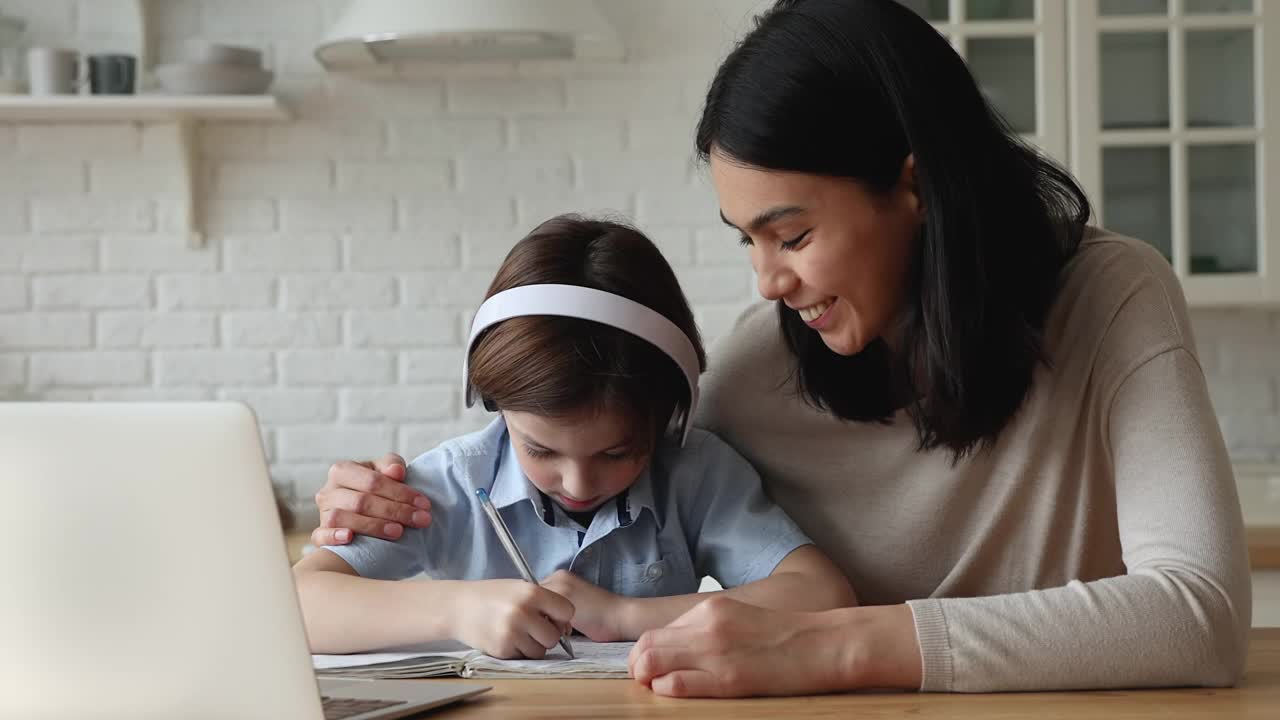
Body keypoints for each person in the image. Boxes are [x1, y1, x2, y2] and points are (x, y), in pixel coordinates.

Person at [306, 0, 1250, 698]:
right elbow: (594, 447)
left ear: (913, 187)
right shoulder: (752, 380)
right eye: (745, 239)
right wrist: (365, 510)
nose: (766, 284)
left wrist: (833, 645)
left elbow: (1198, 617)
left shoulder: (1109, 294)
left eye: (792, 237)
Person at [292, 215, 856, 658]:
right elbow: (295, 606)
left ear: (665, 418)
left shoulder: (695, 473)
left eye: (618, 452)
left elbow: (822, 595)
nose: (579, 481)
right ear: (492, 402)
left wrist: (624, 618)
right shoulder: (452, 483)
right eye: (540, 449)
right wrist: (457, 608)